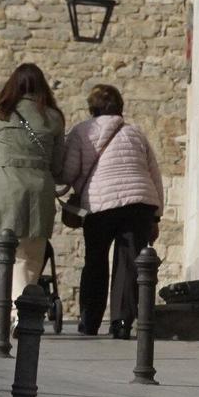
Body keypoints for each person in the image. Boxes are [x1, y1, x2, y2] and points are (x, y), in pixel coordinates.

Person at [59, 84, 164, 339]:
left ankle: (89, 319)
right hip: (139, 203)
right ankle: (121, 322)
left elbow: (69, 172)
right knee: (128, 263)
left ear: (91, 107)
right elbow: (154, 174)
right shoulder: (134, 133)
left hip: (100, 203)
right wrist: (156, 214)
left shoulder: (82, 131)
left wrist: (59, 188)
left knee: (95, 260)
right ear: (120, 106)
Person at [0, 63, 64, 317]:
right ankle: (20, 309)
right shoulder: (54, 117)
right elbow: (57, 166)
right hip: (39, 189)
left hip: (5, 188)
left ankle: (16, 311)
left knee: (7, 252)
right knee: (32, 255)